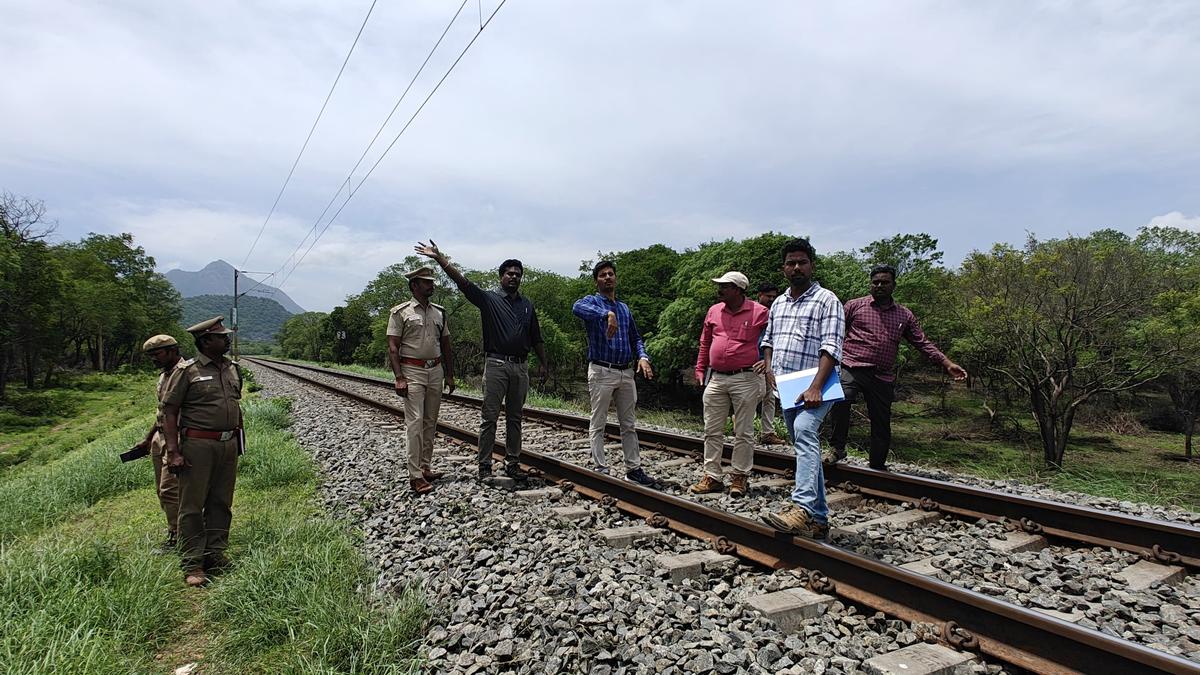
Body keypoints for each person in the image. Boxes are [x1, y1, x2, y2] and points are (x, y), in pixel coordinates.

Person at [416, 240, 548, 481]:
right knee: (490, 417)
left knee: (515, 418)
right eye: (509, 273)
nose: (514, 277)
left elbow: (536, 337)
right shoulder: (489, 300)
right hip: (496, 365)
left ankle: (513, 463)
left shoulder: (527, 305)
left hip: (521, 366)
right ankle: (484, 466)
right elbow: (462, 282)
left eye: (518, 274)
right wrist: (439, 258)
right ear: (501, 277)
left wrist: (544, 363)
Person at [828, 264, 968, 470]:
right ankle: (837, 448)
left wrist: (946, 363)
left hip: (882, 375)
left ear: (894, 285)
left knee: (881, 421)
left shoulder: (904, 315)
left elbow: (922, 342)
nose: (879, 286)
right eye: (875, 282)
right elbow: (834, 331)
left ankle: (877, 465)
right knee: (841, 399)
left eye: (884, 282)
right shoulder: (854, 306)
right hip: (852, 367)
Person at [760, 239, 845, 539]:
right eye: (791, 263)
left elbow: (832, 347)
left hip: (817, 386)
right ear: (784, 268)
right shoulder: (779, 303)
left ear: (811, 265)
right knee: (802, 444)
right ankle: (819, 519)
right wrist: (769, 367)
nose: (796, 267)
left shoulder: (826, 300)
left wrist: (815, 387)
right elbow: (768, 339)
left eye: (802, 262)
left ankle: (802, 508)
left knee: (807, 433)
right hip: (786, 386)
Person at [161, 316, 243, 587]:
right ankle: (192, 562)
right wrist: (173, 451)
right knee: (192, 506)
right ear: (206, 341)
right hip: (197, 446)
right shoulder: (187, 371)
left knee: (221, 502)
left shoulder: (232, 369)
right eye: (221, 336)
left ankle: (215, 553)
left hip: (227, 444)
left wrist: (238, 441)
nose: (227, 339)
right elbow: (169, 412)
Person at [571, 260, 659, 487]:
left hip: (625, 372)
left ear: (615, 278)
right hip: (602, 370)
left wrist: (643, 356)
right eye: (603, 275)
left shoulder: (624, 308)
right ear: (596, 280)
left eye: (611, 274)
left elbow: (635, 337)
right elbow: (576, 307)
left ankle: (634, 468)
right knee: (598, 421)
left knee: (628, 423)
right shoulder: (592, 302)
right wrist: (605, 314)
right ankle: (601, 468)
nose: (608, 277)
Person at [690, 271, 769, 499]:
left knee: (743, 431)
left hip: (746, 377)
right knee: (711, 429)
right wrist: (700, 368)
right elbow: (705, 340)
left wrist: (767, 360)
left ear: (738, 289)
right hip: (717, 377)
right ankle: (712, 476)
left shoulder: (760, 312)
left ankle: (739, 477)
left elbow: (772, 339)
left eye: (725, 286)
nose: (720, 290)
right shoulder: (714, 310)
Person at [387, 266, 456, 495]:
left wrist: (449, 374)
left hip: (435, 370)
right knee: (414, 423)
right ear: (414, 285)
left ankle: (425, 466)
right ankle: (415, 475)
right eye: (426, 282)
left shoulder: (439, 312)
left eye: (431, 281)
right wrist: (399, 377)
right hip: (412, 371)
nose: (431, 285)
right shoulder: (401, 312)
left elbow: (445, 345)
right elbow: (393, 347)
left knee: (430, 421)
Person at [137, 334, 182, 549]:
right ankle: (177, 529)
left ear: (173, 351)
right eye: (150, 355)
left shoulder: (184, 374)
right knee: (161, 489)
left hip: (175, 438)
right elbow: (162, 412)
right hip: (160, 437)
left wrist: (174, 447)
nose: (153, 359)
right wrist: (148, 438)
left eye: (157, 354)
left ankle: (178, 534)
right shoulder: (165, 375)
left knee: (170, 489)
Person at [755, 283, 785, 445]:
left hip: (770, 361)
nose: (771, 299)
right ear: (760, 294)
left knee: (770, 397)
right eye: (768, 296)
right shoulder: (753, 312)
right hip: (756, 361)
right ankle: (740, 421)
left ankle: (767, 432)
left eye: (774, 297)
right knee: (757, 394)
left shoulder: (775, 312)